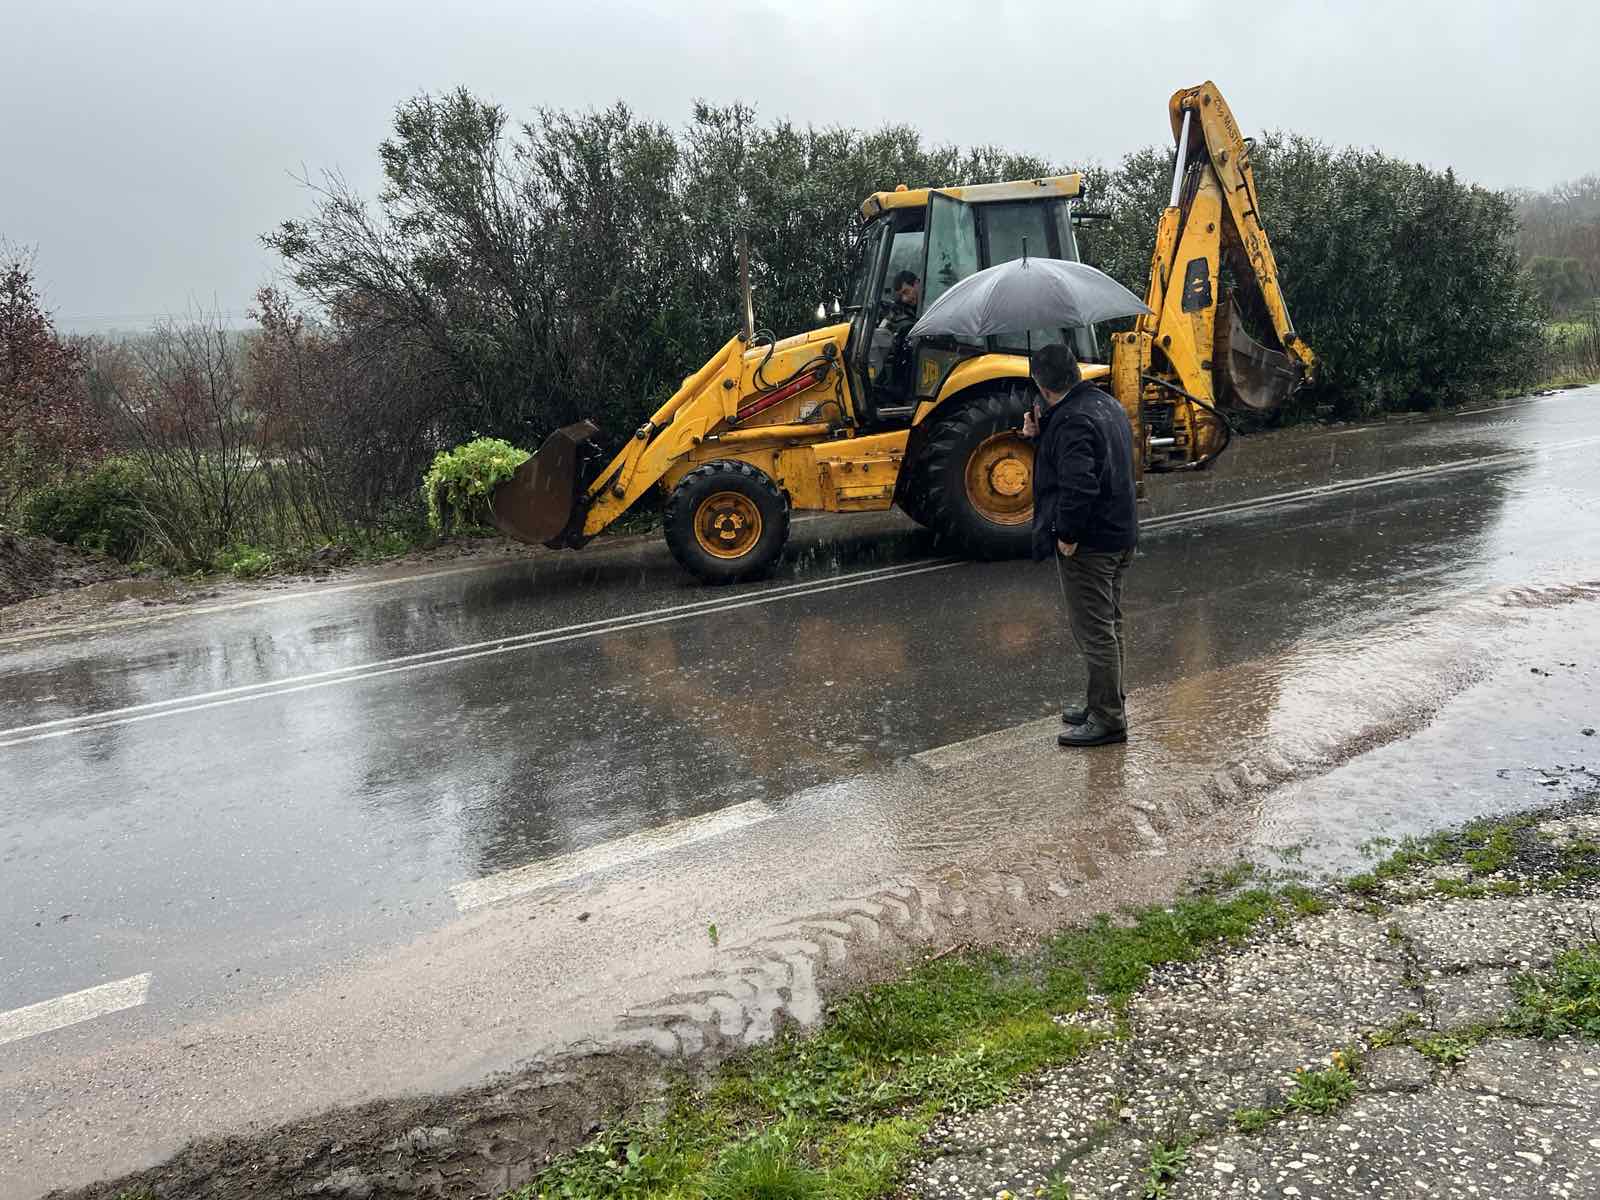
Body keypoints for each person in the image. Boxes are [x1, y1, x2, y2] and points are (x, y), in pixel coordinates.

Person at [1022, 342, 1138, 747]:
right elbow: (1091, 463)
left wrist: (1067, 535)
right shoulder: (1103, 404)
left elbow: (1079, 484)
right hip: (1120, 534)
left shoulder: (1072, 421)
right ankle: (1108, 701)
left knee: (1095, 632)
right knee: (1110, 624)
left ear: (1041, 382)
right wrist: (1040, 434)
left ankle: (1108, 719)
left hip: (1090, 543)